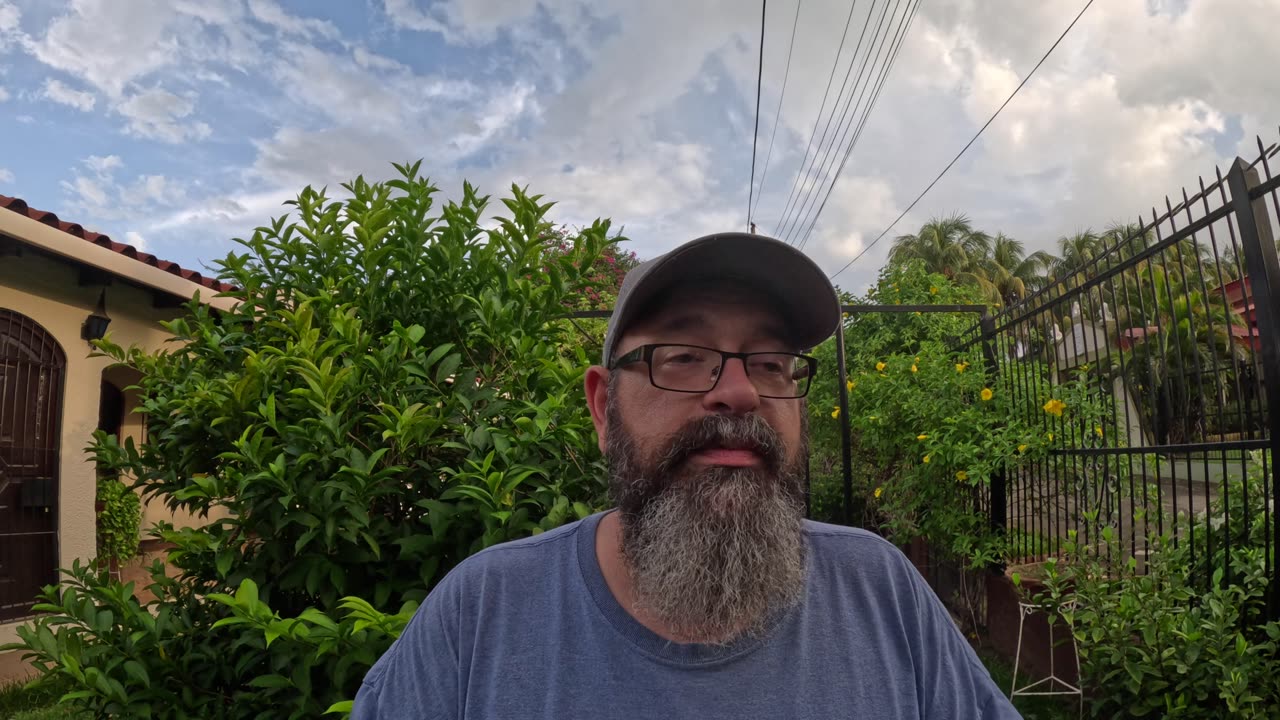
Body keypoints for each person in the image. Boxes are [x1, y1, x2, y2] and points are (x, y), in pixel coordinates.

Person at [352, 232, 1022, 719]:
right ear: (602, 407)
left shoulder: (881, 593)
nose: (739, 393)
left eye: (770, 363)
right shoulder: (481, 617)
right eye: (682, 355)